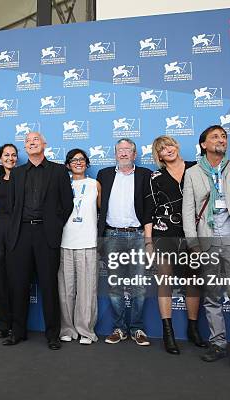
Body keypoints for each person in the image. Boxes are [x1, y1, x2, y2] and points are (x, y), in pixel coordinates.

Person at [182, 125, 230, 370]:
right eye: (215, 137)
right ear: (203, 144)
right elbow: (188, 210)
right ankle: (217, 343)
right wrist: (193, 242)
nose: (221, 140)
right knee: (213, 296)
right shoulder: (193, 173)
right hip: (206, 241)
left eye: (224, 137)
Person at [3, 132, 73, 350]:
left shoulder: (59, 170)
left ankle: (53, 334)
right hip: (21, 234)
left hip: (46, 234)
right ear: (25, 148)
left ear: (44, 144)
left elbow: (67, 204)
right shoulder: (17, 173)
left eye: (35, 140)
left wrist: (53, 225)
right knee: (18, 285)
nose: (31, 143)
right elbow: (12, 206)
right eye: (27, 141)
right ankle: (18, 332)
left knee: (49, 286)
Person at [149, 136, 206, 354]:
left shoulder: (197, 168)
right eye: (162, 149)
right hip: (164, 233)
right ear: (159, 155)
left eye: (169, 145)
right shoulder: (156, 177)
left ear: (177, 146)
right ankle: (168, 332)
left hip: (194, 234)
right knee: (165, 282)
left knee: (193, 281)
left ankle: (193, 329)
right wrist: (148, 242)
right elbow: (149, 211)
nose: (167, 150)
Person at [97, 138, 153, 347]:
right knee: (114, 286)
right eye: (119, 150)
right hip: (112, 236)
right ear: (115, 154)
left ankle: (137, 328)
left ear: (134, 154)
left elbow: (149, 209)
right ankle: (119, 328)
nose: (123, 153)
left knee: (139, 286)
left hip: (138, 235)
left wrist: (148, 241)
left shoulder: (145, 174)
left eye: (127, 150)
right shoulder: (104, 175)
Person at [58, 149, 100, 345]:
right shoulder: (61, 184)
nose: (78, 162)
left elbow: (101, 211)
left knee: (87, 290)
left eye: (82, 159)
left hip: (88, 242)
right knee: (65, 290)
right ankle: (67, 329)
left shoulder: (94, 185)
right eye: (74, 160)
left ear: (87, 163)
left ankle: (86, 331)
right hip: (65, 241)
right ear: (67, 165)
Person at [0, 143, 18, 338]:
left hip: (17, 228)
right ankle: (1, 323)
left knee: (15, 278)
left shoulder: (23, 175)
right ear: (0, 158)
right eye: (6, 155)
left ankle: (16, 323)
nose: (10, 158)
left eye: (14, 155)